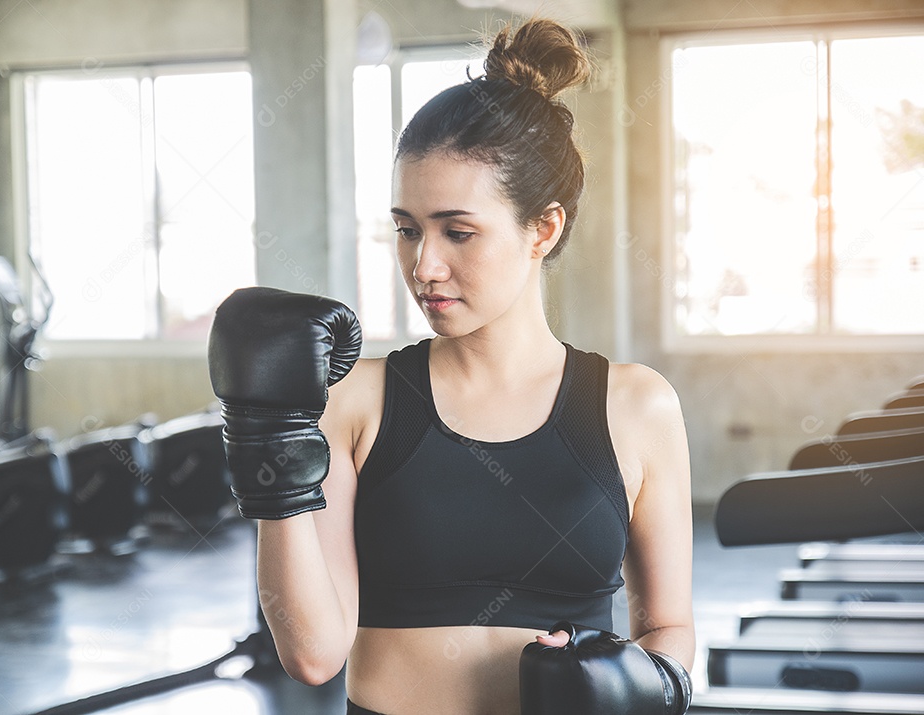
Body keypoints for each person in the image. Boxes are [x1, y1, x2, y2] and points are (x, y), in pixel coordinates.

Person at [208, 17, 694, 715]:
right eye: (407, 229)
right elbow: (312, 653)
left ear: (544, 229)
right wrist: (266, 439)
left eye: (458, 232)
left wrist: (643, 683)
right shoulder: (357, 399)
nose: (424, 266)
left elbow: (670, 627)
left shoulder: (637, 406)